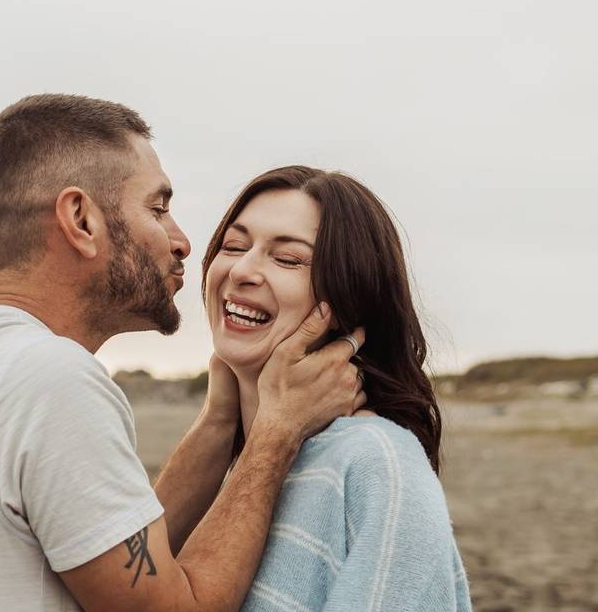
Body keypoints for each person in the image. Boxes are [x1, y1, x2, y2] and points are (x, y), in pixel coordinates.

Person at [0, 95, 366, 612]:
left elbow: (112, 561)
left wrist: (218, 422)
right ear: (81, 220)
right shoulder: (50, 382)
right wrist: (276, 433)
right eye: (158, 208)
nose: (183, 241)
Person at [200, 166, 471, 611]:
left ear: (348, 299)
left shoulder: (376, 461)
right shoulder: (232, 468)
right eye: (233, 246)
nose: (242, 270)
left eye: (287, 259)